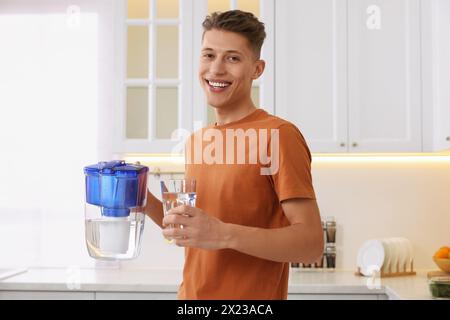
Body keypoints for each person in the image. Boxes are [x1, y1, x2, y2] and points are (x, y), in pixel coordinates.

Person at [144, 10, 323, 300]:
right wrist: (141, 199)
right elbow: (188, 229)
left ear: (257, 69)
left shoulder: (278, 135)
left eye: (233, 58)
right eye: (208, 55)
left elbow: (311, 244)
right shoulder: (199, 141)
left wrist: (223, 233)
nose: (216, 69)